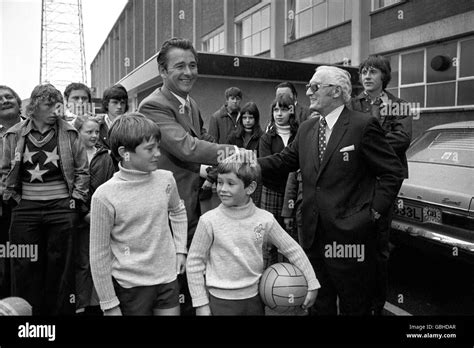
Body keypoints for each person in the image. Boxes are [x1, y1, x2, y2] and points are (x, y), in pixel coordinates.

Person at [258, 66, 404, 315]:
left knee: (354, 306)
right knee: (318, 305)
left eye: (314, 86)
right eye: (308, 87)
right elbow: (282, 161)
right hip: (313, 237)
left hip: (352, 240)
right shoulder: (306, 129)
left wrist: (373, 213)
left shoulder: (363, 126)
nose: (308, 92)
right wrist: (245, 161)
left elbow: (392, 171)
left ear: (336, 91)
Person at [137, 38, 239, 314]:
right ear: (162, 71)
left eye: (193, 65)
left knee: (191, 275)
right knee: (169, 283)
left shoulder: (190, 103)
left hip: (191, 203)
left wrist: (223, 168)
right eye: (179, 66)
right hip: (165, 210)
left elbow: (202, 138)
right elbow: (186, 146)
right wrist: (233, 152)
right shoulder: (153, 106)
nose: (188, 72)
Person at [186, 154, 320, 315]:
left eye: (230, 183)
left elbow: (292, 249)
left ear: (250, 188)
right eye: (220, 182)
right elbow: (194, 262)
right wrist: (201, 303)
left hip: (255, 300)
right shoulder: (208, 221)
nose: (222, 189)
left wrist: (312, 283)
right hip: (219, 302)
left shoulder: (264, 219)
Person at [1, 84, 89, 315]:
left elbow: (82, 171)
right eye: (50, 105)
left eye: (58, 105)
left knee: (61, 270)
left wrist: (75, 203)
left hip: (62, 210)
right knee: (23, 267)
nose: (55, 111)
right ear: (35, 108)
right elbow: (3, 172)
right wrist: (15, 199)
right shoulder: (13, 134)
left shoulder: (70, 133)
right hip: (24, 210)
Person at [89, 113, 188, 316]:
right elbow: (98, 254)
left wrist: (180, 250)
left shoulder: (166, 180)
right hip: (130, 287)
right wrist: (109, 303)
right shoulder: (104, 195)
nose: (158, 154)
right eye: (150, 149)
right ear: (124, 153)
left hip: (167, 279)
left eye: (158, 147)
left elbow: (177, 211)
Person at [350, 55, 412, 315]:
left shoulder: (398, 105)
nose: (366, 76)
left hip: (385, 180)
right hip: (357, 179)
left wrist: (367, 142)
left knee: (379, 244)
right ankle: (356, 297)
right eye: (363, 71)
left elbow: (402, 138)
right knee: (355, 238)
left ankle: (377, 305)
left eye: (373, 71)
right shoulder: (352, 104)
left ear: (383, 76)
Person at [73, 115, 115, 314]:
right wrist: (83, 213)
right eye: (88, 132)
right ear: (78, 132)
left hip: (100, 216)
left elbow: (110, 187)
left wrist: (99, 213)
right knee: (82, 261)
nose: (94, 135)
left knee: (101, 260)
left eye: (97, 132)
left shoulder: (105, 156)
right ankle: (81, 303)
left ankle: (100, 303)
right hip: (79, 217)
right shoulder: (71, 154)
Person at [259, 94, 299, 266]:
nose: (279, 113)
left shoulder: (300, 134)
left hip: (294, 194)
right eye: (276, 109)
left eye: (283, 109)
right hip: (272, 191)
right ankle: (269, 282)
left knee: (293, 240)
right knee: (269, 243)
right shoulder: (266, 138)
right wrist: (288, 166)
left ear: (291, 111)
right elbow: (267, 166)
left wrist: (283, 165)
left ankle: (294, 283)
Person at [0, 85, 23, 298]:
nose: (4, 100)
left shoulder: (36, 128)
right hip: (3, 210)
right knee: (5, 262)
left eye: (9, 97)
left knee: (28, 261)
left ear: (18, 102)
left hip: (31, 206)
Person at [97, 84, 129, 149]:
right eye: (115, 102)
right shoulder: (97, 125)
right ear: (106, 104)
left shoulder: (131, 125)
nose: (119, 107)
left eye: (122, 103)